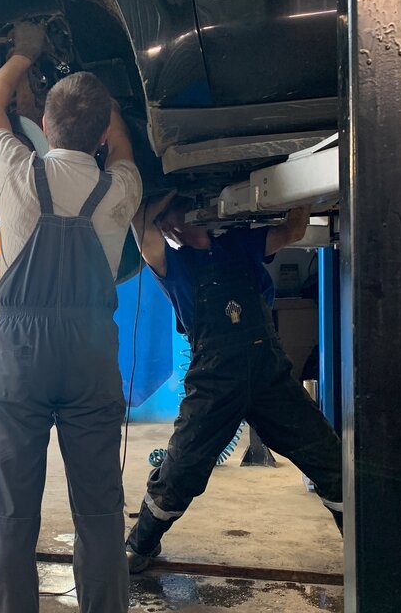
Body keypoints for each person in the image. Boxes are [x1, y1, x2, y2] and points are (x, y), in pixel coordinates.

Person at [0, 20, 142, 613]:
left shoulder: (17, 172)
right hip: (90, 355)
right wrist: (111, 103)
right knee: (99, 515)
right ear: (101, 134)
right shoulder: (120, 187)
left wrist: (24, 54)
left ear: (43, 125)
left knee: (14, 516)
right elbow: (121, 148)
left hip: (22, 355)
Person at [125, 194, 343, 572]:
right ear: (170, 223)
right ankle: (141, 544)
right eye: (177, 213)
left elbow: (294, 230)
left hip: (268, 374)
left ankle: (366, 547)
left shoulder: (240, 244)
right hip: (214, 380)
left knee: (327, 456)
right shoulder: (173, 264)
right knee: (182, 469)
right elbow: (141, 227)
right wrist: (172, 193)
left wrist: (305, 188)